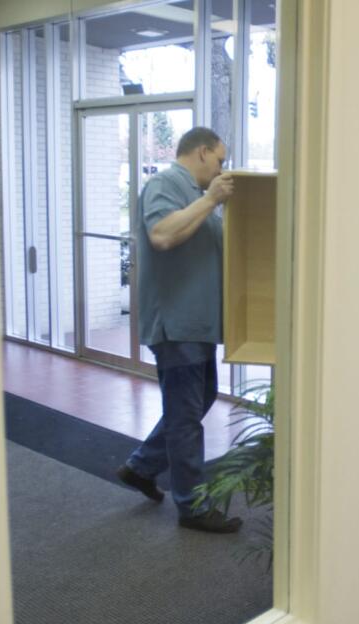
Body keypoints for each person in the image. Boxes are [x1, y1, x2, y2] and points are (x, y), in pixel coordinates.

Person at [115, 126, 243, 533]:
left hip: (197, 325)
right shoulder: (166, 184)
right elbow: (161, 236)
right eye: (220, 159)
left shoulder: (200, 198)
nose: (222, 168)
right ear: (203, 152)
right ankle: (192, 507)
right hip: (177, 324)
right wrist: (209, 201)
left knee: (198, 399)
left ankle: (142, 467)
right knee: (186, 414)